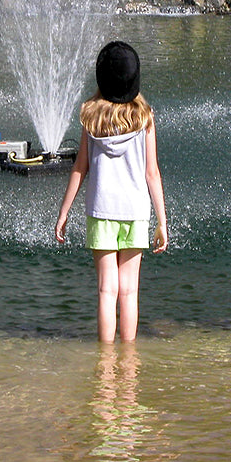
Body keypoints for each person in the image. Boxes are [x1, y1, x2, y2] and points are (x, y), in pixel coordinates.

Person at [55, 41, 168, 342]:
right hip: (135, 212)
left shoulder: (91, 117)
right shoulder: (145, 118)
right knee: (129, 292)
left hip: (101, 211)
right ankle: (128, 367)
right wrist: (162, 221)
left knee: (107, 290)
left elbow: (80, 168)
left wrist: (64, 212)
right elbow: (152, 173)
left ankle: (104, 366)